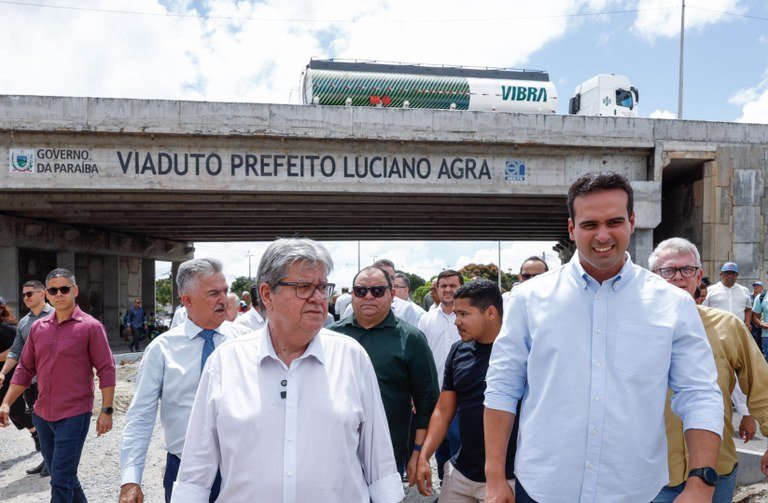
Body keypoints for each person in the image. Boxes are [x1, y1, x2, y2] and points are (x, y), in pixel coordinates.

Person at [484, 172, 723, 502]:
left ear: (631, 222)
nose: (602, 235)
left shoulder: (672, 304)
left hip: (635, 491)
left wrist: (701, 482)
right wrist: (495, 476)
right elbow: (502, 387)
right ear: (571, 228)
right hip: (543, 488)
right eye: (589, 224)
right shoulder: (527, 299)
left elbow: (699, 393)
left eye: (614, 222)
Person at [171, 238, 404, 502]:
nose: (318, 298)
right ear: (268, 294)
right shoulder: (226, 362)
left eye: (322, 287)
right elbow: (195, 474)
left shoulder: (351, 357)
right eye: (304, 287)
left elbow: (380, 466)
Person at [119, 258, 250, 503]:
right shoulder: (162, 350)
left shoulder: (246, 343)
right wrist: (130, 478)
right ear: (187, 300)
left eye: (225, 290)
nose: (223, 299)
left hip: (242, 469)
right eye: (213, 293)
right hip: (184, 470)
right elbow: (141, 416)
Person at [648, 237, 768, 502]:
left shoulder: (728, 327)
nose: (678, 278)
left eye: (687, 270)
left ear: (699, 275)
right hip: (653, 474)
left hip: (716, 472)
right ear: (653, 277)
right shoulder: (634, 329)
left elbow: (761, 384)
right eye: (667, 271)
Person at [0, 268, 116, 502]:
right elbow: (24, 369)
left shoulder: (91, 327)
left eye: (65, 289)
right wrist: (6, 403)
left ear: (75, 290)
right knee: (63, 476)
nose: (59, 294)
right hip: (42, 415)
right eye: (54, 290)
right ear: (48, 294)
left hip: (74, 415)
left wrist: (107, 410)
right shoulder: (37, 328)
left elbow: (107, 370)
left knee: (61, 481)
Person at [329, 265, 439, 478]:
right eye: (361, 291)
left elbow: (427, 401)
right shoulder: (332, 336)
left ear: (392, 294)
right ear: (353, 295)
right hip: (337, 452)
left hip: (388, 457)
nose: (368, 296)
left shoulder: (411, 339)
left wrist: (419, 453)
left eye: (377, 291)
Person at [414, 279, 518, 501]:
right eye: (455, 314)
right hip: (461, 473)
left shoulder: (518, 353)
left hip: (509, 477)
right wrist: (425, 454)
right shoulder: (458, 351)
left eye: (463, 314)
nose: (456, 322)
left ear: (490, 313)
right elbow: (444, 409)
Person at [0, 281, 54, 476]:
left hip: (52, 382)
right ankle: (47, 458)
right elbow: (16, 351)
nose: (26, 298)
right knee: (39, 420)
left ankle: (53, 461)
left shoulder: (57, 316)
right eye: (24, 295)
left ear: (43, 294)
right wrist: (3, 372)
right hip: (30, 382)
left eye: (30, 294)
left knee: (51, 421)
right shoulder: (24, 322)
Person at [418, 269, 464, 480]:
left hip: (463, 395)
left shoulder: (468, 318)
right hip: (435, 395)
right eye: (443, 286)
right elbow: (420, 358)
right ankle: (447, 490)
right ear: (436, 289)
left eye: (452, 286)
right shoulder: (426, 320)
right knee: (440, 445)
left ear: (460, 288)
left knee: (459, 443)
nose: (447, 290)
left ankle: (460, 490)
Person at [0, 297, 40, 466]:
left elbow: (15, 351)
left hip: (7, 374)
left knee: (15, 410)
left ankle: (36, 432)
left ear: (1, 309)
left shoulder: (8, 329)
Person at [342, 259, 424, 328]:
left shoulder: (406, 309)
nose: (389, 281)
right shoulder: (351, 309)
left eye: (392, 278)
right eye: (383, 276)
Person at [703, 261, 752, 326]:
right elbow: (703, 309)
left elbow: (748, 309)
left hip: (738, 329)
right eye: (726, 273)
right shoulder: (710, 290)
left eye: (733, 273)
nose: (730, 276)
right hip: (717, 328)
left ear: (737, 275)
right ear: (720, 274)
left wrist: (747, 322)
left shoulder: (744, 290)